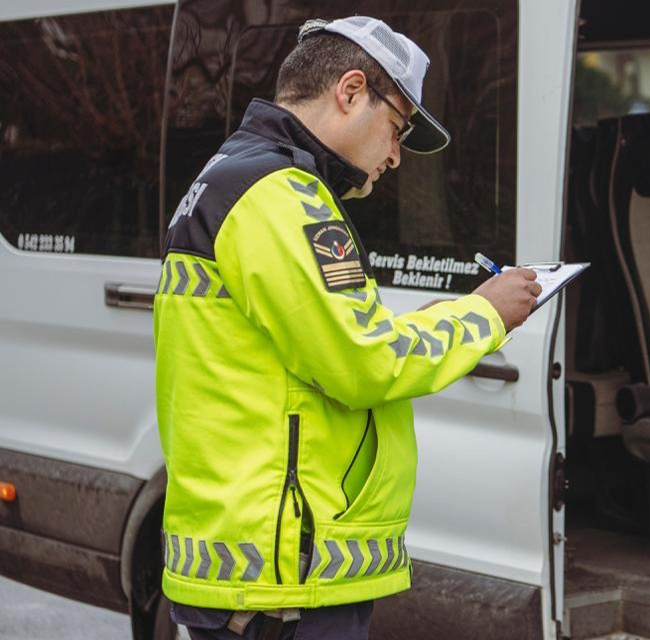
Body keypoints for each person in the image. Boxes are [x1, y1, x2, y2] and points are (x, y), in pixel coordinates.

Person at [153, 16, 541, 640]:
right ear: (351, 90)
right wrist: (486, 313)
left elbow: (329, 343)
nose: (393, 156)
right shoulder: (282, 194)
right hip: (283, 579)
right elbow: (365, 362)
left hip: (259, 568)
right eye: (395, 130)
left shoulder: (232, 176)